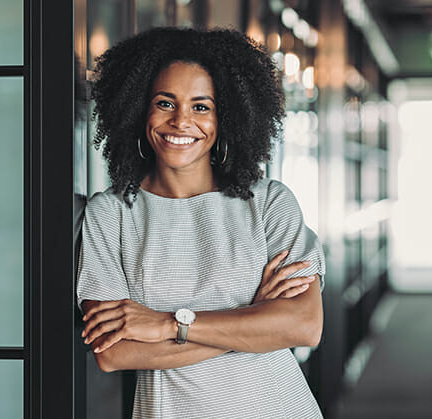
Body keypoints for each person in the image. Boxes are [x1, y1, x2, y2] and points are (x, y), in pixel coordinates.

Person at [77, 27, 326, 418]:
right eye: (164, 103)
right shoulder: (111, 215)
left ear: (225, 116)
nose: (180, 121)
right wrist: (254, 320)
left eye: (201, 106)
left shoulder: (269, 203)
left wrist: (167, 325)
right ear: (139, 109)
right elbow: (114, 352)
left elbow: (304, 325)